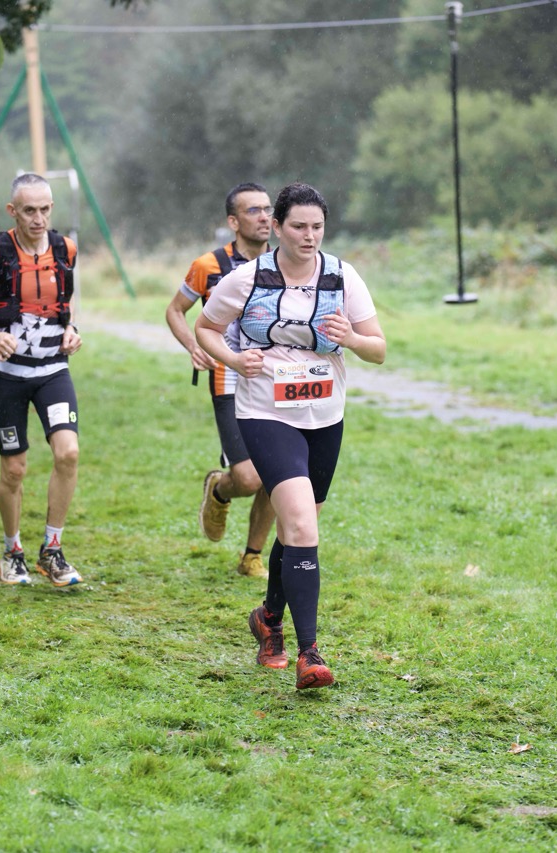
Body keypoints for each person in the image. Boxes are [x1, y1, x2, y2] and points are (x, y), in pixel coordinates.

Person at [194, 183, 385, 690]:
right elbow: (205, 328)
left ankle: (268, 619)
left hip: (324, 415)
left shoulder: (343, 277)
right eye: (298, 226)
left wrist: (352, 338)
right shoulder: (246, 279)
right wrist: (234, 360)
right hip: (264, 412)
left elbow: (379, 349)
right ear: (277, 227)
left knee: (299, 527)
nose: (309, 235)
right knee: (301, 524)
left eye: (317, 226)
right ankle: (309, 654)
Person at [0, 172, 84, 588]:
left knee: (68, 453)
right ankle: (12, 552)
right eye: (29, 211)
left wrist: (72, 329)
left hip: (53, 371)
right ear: (12, 211)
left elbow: (65, 304)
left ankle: (52, 551)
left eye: (45, 210)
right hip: (7, 377)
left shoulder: (66, 249)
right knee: (14, 470)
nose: (38, 219)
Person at [165, 183, 278, 579]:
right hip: (227, 378)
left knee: (278, 471)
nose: (264, 217)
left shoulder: (285, 263)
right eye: (253, 211)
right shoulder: (208, 265)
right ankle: (220, 487)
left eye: (267, 209)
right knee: (248, 478)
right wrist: (192, 346)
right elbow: (175, 310)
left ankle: (252, 556)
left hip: (275, 379)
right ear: (233, 221)